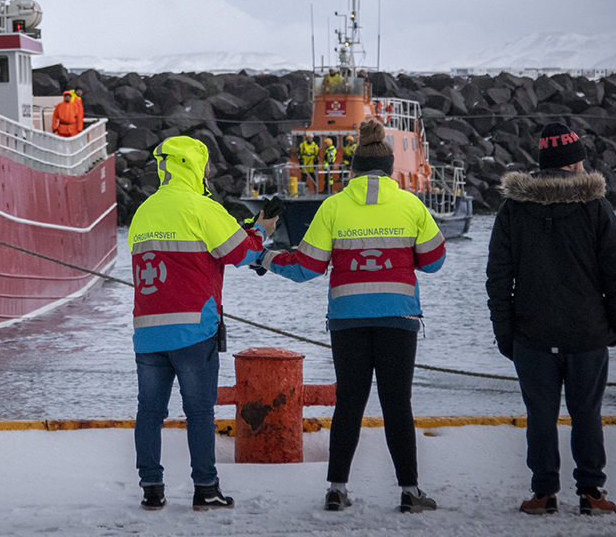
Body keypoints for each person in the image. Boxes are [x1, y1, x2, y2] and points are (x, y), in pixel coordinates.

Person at [261, 118, 444, 514]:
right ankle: (410, 492)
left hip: (348, 319)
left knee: (349, 403)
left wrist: (266, 257)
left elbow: (306, 267)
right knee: (398, 404)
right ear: (392, 167)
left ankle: (336, 489)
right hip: (398, 318)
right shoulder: (411, 204)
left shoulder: (333, 206)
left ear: (354, 168)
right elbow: (434, 262)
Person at [485, 122, 616, 516]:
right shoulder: (596, 207)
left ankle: (544, 493)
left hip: (531, 336)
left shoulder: (514, 208)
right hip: (587, 333)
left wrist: (505, 334)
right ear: (574, 163)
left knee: (540, 417)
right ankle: (591, 493)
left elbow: (498, 278)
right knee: (587, 414)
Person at [129, 135, 277, 512]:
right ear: (194, 167)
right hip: (193, 329)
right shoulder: (200, 207)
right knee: (198, 413)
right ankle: (206, 488)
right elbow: (240, 252)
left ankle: (151, 488)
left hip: (147, 331)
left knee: (149, 412)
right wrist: (261, 231)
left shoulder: (143, 212)